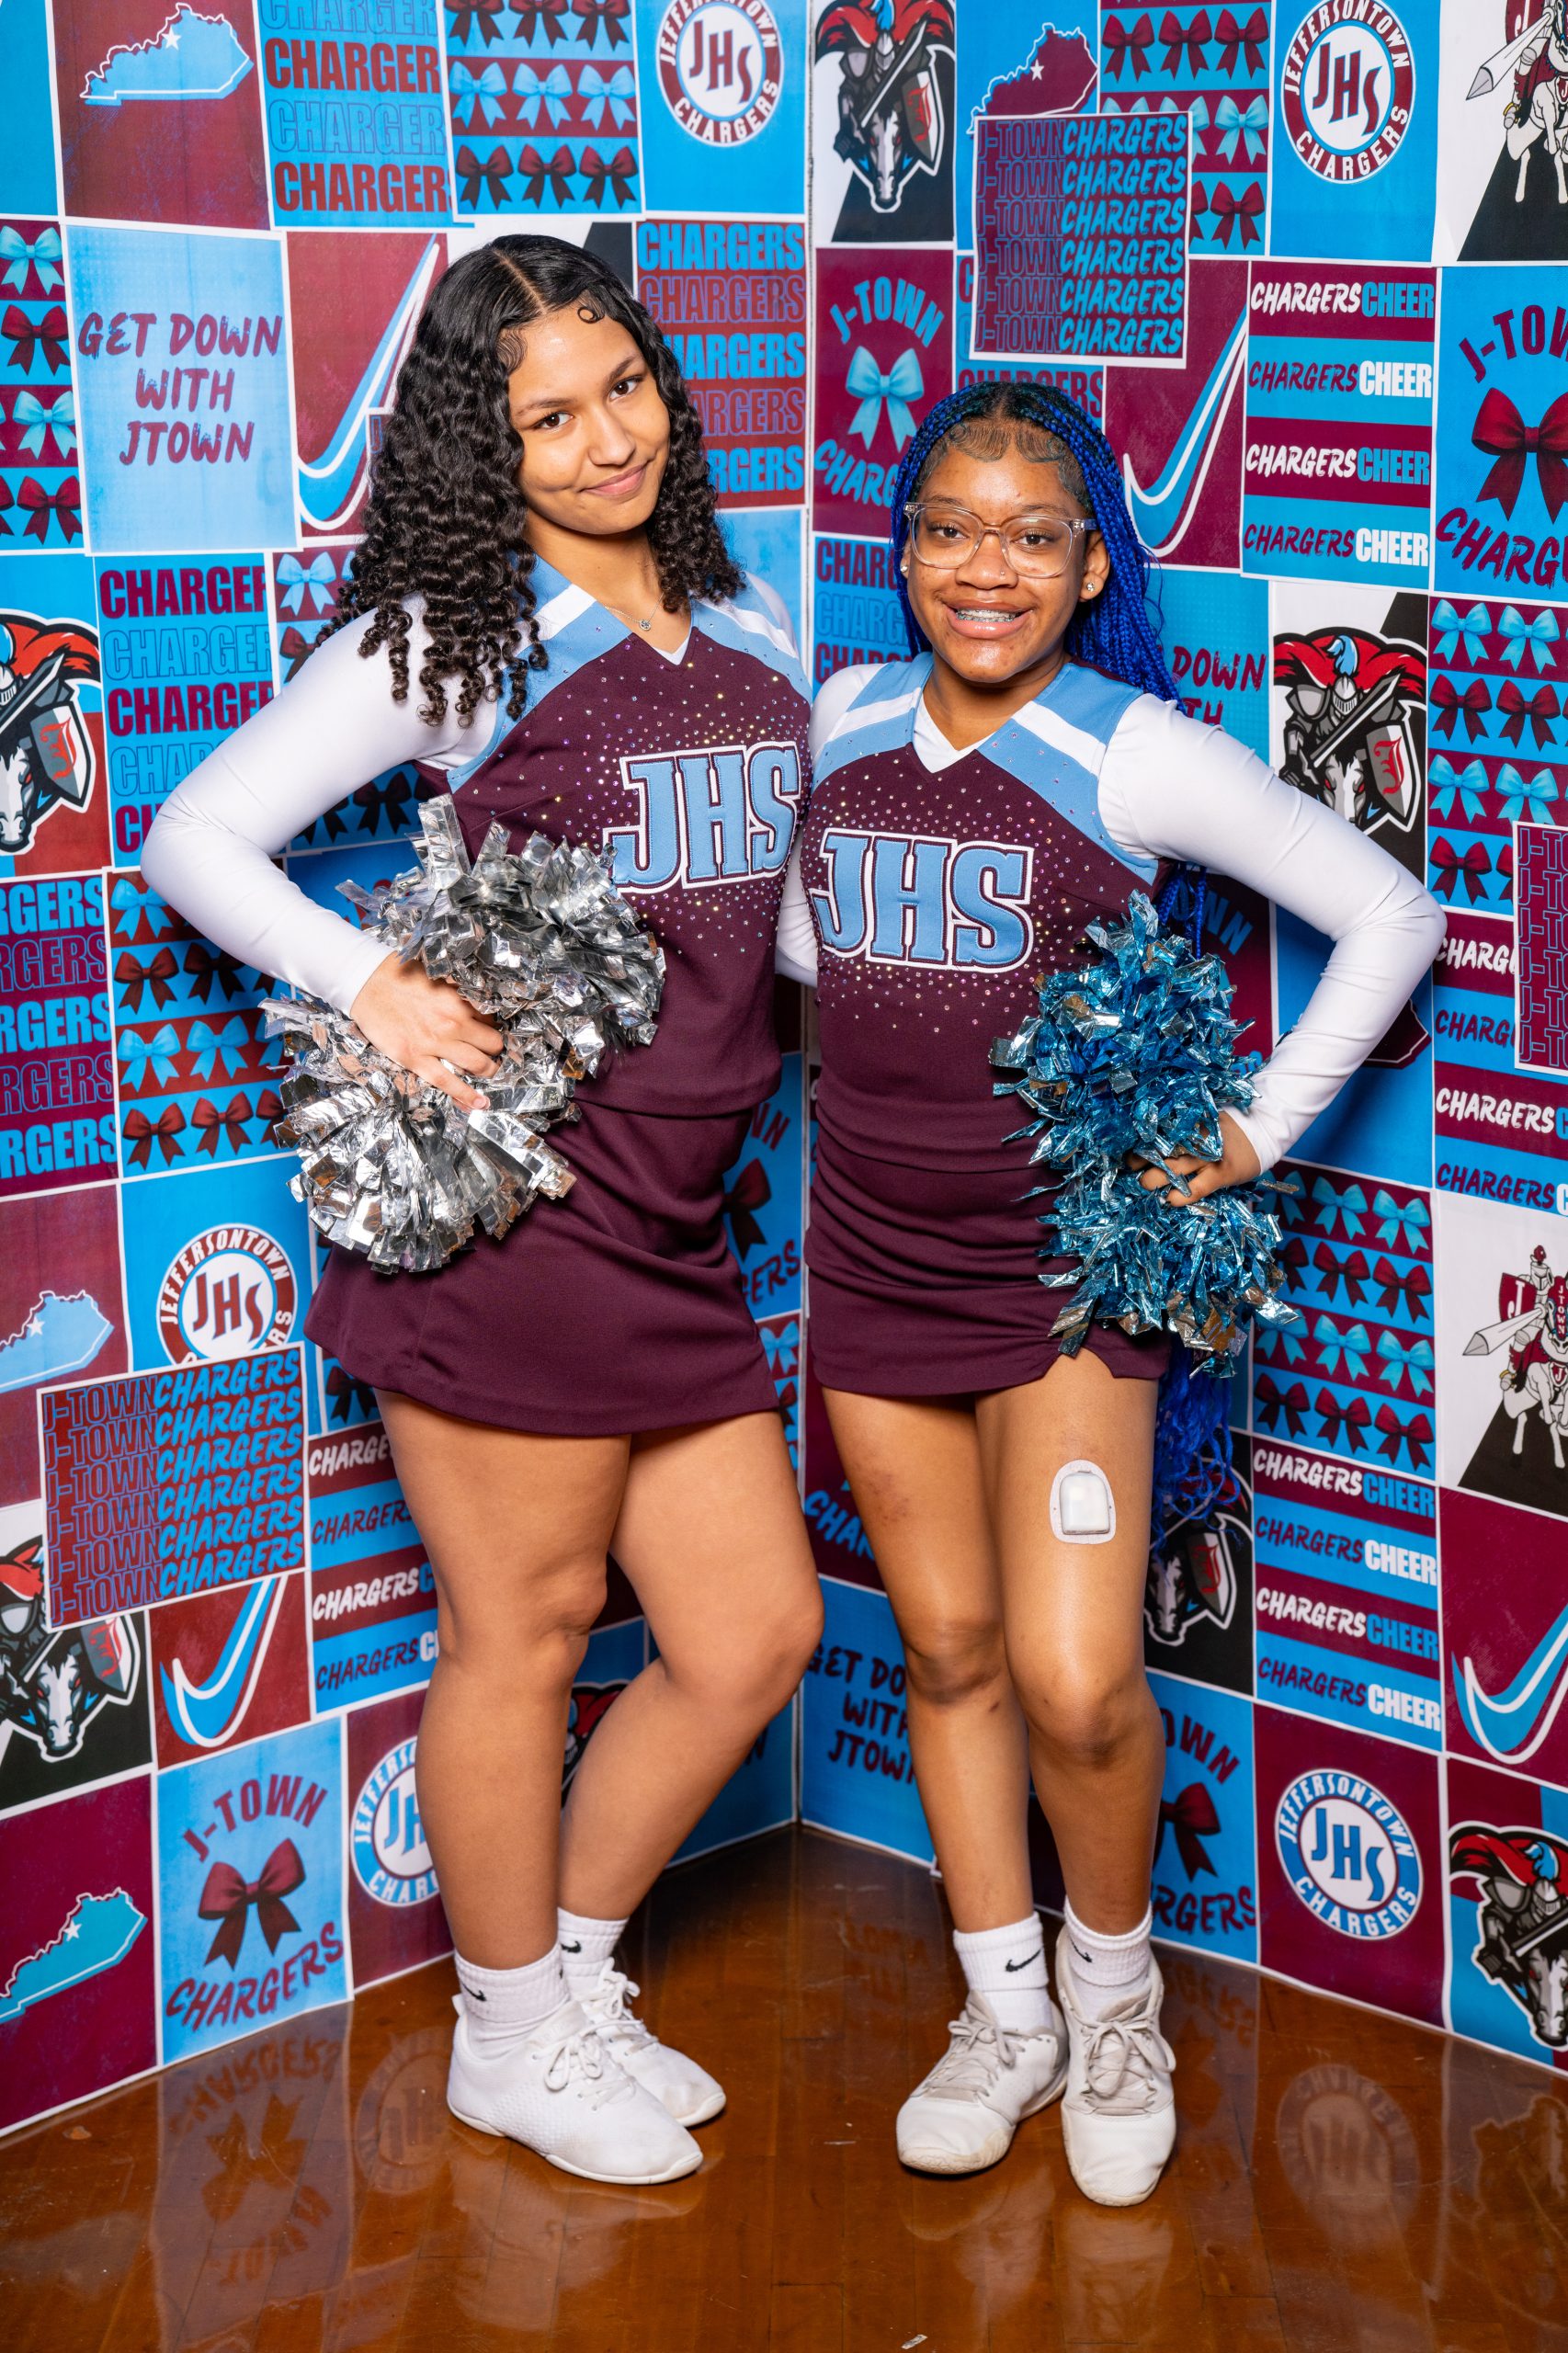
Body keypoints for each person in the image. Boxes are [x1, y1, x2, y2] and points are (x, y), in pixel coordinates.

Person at [142, 236, 824, 2187]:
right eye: (547, 417)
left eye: (624, 387)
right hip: (513, 1213)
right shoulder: (453, 635)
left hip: (673, 1216)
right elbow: (197, 832)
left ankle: (569, 1983)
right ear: (479, 443)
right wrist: (370, 982)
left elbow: (755, 911)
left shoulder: (744, 606)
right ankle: (506, 2035)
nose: (608, 440)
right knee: (522, 1631)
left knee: (752, 1627)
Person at [776, 381, 1445, 2206]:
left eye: (1030, 533)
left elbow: (1390, 913)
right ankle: (1003, 2012)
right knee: (943, 1649)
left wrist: (1254, 1129)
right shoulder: (840, 716)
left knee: (1074, 1681)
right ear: (904, 546)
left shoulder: (1132, 748)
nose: (982, 567)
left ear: (1089, 566)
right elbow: (813, 951)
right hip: (873, 1265)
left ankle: (1115, 1996)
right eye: (947, 528)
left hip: (1070, 1287)